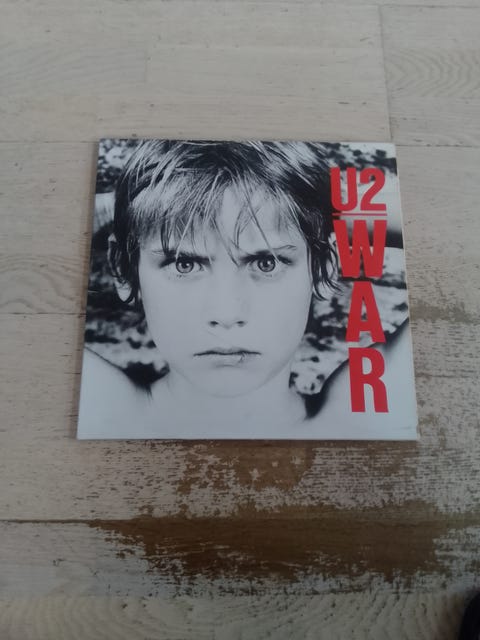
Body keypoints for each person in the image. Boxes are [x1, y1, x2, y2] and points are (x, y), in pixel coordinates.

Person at [77, 140, 414, 439]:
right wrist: (132, 208)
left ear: (323, 268)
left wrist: (305, 205)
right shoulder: (102, 410)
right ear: (123, 269)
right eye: (184, 264)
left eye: (266, 263)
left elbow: (442, 228)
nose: (226, 314)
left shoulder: (357, 421)